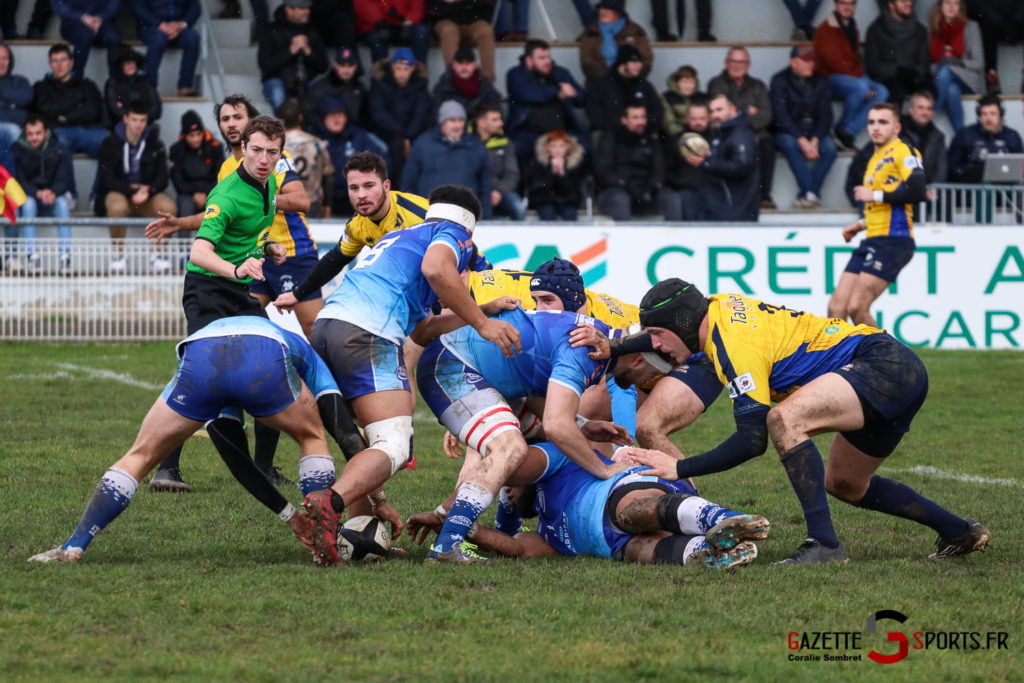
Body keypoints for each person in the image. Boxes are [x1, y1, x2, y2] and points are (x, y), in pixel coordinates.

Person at [616, 278, 992, 564]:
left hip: (881, 365)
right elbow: (664, 330)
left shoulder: (733, 343)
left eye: (658, 337)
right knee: (845, 484)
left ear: (682, 323)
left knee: (783, 419)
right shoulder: (711, 307)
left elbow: (752, 441)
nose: (657, 347)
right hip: (893, 371)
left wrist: (677, 466)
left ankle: (824, 544)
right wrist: (615, 347)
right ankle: (958, 531)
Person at [301, 185, 521, 566]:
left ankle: (354, 529)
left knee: (369, 440)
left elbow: (422, 331)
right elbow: (437, 269)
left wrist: (481, 307)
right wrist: (483, 323)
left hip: (326, 327)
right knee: (395, 444)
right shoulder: (453, 235)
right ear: (469, 227)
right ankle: (329, 504)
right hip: (366, 334)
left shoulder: (401, 236)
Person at [26, 317, 341, 564]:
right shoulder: (307, 352)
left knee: (140, 455)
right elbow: (341, 423)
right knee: (312, 436)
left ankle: (73, 547)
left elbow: (237, 462)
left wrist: (287, 515)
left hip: (201, 355)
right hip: (264, 352)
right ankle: (322, 538)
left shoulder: (226, 341)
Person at [414, 306, 633, 563]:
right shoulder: (586, 349)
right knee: (511, 447)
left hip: (473, 370)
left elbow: (539, 399)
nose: (651, 380)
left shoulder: (589, 338)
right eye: (658, 371)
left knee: (532, 441)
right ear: (641, 359)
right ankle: (447, 543)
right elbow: (556, 425)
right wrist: (605, 470)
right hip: (453, 365)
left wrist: (584, 425)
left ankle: (478, 523)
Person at [407, 441, 769, 568]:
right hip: (614, 545)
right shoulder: (547, 532)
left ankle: (724, 518)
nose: (509, 493)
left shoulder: (556, 459)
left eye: (510, 489)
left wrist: (448, 507)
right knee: (641, 551)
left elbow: (507, 463)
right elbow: (516, 548)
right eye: (507, 497)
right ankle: (706, 552)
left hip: (622, 490)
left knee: (632, 513)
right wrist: (461, 527)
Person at [272, 152, 428, 316]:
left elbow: (455, 236)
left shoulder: (419, 213)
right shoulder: (356, 226)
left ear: (386, 186)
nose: (361, 195)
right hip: (411, 294)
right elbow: (334, 261)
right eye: (354, 188)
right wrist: (297, 294)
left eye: (369, 186)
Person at [829, 103, 925, 326]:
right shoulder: (873, 159)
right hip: (872, 238)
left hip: (894, 241)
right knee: (836, 307)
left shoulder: (904, 151)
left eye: (883, 122)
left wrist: (874, 195)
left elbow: (918, 191)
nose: (876, 127)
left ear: (896, 127)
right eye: (871, 122)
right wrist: (860, 225)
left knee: (856, 307)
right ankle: (837, 361)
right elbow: (884, 204)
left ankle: (890, 360)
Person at [96, 102, 175, 273]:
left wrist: (148, 190)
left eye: (142, 120)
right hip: (120, 192)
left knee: (169, 208)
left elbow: (163, 177)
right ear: (125, 119)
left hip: (147, 194)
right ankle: (119, 254)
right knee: (116, 207)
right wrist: (131, 191)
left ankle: (157, 254)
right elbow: (106, 178)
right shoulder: (110, 143)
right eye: (134, 119)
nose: (138, 124)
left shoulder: (156, 143)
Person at [813, 0, 889, 149]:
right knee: (860, 87)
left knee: (882, 91)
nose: (848, 7)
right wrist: (862, 83)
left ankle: (847, 131)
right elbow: (836, 63)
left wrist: (861, 79)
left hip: (851, 77)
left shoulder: (852, 27)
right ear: (835, 5)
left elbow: (855, 61)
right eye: (843, 3)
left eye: (852, 3)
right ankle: (842, 129)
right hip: (828, 78)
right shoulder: (825, 30)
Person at [707, 46, 775, 210]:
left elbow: (766, 115)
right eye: (733, 61)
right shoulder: (716, 83)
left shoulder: (758, 86)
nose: (737, 65)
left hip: (757, 132)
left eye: (742, 62)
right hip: (728, 132)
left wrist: (739, 112)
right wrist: (750, 110)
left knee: (767, 146)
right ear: (726, 63)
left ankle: (763, 196)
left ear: (748, 65)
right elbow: (722, 113)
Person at [770, 45, 837, 210]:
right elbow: (781, 117)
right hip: (787, 132)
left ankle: (808, 195)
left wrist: (814, 140)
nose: (810, 64)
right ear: (793, 62)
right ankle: (811, 193)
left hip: (814, 133)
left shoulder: (820, 80)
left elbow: (826, 116)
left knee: (830, 148)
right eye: (805, 60)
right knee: (790, 144)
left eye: (812, 60)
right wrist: (802, 140)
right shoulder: (779, 80)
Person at [506, 39, 589, 172]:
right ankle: (522, 190)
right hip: (528, 133)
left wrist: (573, 94)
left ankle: (578, 190)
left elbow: (582, 99)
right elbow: (527, 94)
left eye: (548, 56)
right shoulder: (516, 74)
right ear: (529, 61)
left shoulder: (561, 73)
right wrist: (557, 92)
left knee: (585, 145)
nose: (547, 61)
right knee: (515, 148)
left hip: (562, 132)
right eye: (541, 58)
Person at [402, 100, 493, 218]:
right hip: (428, 216)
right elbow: (409, 182)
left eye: (461, 120)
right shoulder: (423, 143)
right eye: (452, 120)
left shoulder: (476, 146)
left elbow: (485, 186)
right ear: (442, 122)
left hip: (465, 217)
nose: (457, 125)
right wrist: (410, 215)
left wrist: (485, 219)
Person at [11, 115, 75, 274]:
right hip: (32, 198)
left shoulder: (60, 149)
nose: (34, 137)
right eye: (30, 134)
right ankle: (32, 256)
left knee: (61, 203)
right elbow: (18, 182)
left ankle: (65, 256)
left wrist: (52, 192)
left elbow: (64, 180)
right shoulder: (17, 149)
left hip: (52, 198)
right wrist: (38, 193)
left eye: (37, 133)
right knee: (28, 203)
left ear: (46, 132)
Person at [595, 103, 680, 221]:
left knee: (671, 197)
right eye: (635, 118)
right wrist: (625, 185)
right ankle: (624, 239)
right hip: (616, 191)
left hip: (646, 192)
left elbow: (659, 171)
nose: (640, 122)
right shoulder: (610, 139)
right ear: (624, 120)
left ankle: (674, 238)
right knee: (620, 200)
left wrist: (650, 188)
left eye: (643, 117)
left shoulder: (652, 140)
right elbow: (604, 171)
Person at [685, 93, 760, 222]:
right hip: (719, 208)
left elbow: (742, 166)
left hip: (733, 210)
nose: (715, 115)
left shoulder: (740, 134)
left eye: (719, 110)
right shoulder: (723, 132)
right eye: (712, 111)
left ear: (733, 109)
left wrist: (706, 163)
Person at [369, 48, 433, 188]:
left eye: (406, 69)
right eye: (398, 68)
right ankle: (395, 190)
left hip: (414, 133)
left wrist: (408, 136)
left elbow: (421, 114)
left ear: (413, 68)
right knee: (397, 147)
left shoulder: (420, 85)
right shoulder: (381, 83)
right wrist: (403, 136)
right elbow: (379, 114)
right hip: (388, 133)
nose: (402, 73)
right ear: (392, 67)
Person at [318, 96, 390, 217]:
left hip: (358, 199)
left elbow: (383, 162)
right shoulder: (314, 139)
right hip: (326, 201)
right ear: (324, 118)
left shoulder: (360, 137)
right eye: (331, 114)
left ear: (346, 117)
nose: (336, 118)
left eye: (340, 114)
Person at [31, 43, 107, 158]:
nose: (59, 65)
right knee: (56, 146)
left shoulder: (86, 84)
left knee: (109, 142)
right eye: (55, 61)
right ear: (50, 64)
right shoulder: (41, 86)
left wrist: (66, 117)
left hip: (87, 131)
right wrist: (77, 103)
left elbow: (94, 111)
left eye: (63, 60)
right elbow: (45, 110)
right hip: (58, 131)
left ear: (71, 63)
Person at [258, 0, 329, 113]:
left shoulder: (313, 31)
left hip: (307, 80)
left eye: (308, 8)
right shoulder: (270, 30)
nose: (307, 11)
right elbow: (265, 66)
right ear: (289, 10)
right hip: (278, 80)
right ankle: (285, 129)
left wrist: (308, 51)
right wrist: (291, 51)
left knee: (323, 93)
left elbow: (323, 66)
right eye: (302, 8)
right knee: (277, 92)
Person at [929, 0, 984, 133]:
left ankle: (928, 115)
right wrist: (941, 64)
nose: (952, 7)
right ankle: (961, 136)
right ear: (940, 6)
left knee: (946, 71)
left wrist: (957, 62)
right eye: (947, 3)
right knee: (952, 90)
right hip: (942, 79)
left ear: (961, 7)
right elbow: (927, 65)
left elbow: (979, 63)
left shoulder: (971, 27)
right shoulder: (932, 28)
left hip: (967, 80)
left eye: (956, 3)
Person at [864, 0, 930, 111]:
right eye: (903, 1)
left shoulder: (920, 30)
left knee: (930, 90)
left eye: (910, 0)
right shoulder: (875, 30)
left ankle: (920, 127)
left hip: (913, 78)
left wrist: (914, 73)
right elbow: (873, 66)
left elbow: (924, 63)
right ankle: (895, 126)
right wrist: (897, 71)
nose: (909, 3)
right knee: (896, 90)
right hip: (887, 79)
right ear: (891, 5)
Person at [586, 44, 663, 134]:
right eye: (634, 63)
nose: (639, 66)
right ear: (623, 64)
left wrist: (641, 124)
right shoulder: (602, 85)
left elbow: (657, 111)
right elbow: (593, 112)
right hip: (610, 132)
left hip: (641, 132)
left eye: (640, 62)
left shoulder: (644, 85)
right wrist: (621, 126)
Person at [947, 93, 1023, 183]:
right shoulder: (965, 135)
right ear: (979, 116)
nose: (988, 118)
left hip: (1005, 187)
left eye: (993, 113)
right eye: (984, 114)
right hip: (972, 188)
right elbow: (952, 167)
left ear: (1001, 115)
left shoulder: (1012, 136)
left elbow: (1018, 168)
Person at [131, 0, 201, 96]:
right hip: (150, 26)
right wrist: (159, 24)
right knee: (158, 39)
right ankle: (150, 87)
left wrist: (180, 25)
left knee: (192, 37)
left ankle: (185, 87)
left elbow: (195, 9)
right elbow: (138, 7)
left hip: (178, 27)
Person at [277, 99, 333, 219]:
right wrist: (327, 206)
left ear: (278, 121)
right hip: (311, 202)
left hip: (286, 202)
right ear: (300, 118)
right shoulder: (317, 143)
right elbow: (328, 177)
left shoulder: (275, 146)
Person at [578, 0, 653, 86]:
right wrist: (612, 77)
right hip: (599, 86)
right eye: (601, 8)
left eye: (607, 9)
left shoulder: (634, 31)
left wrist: (627, 74)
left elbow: (646, 60)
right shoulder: (591, 32)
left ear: (618, 12)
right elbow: (587, 63)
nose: (602, 11)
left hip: (631, 85)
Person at [168, 110, 223, 221]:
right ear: (185, 135)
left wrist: (207, 194)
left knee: (220, 207)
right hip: (187, 195)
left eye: (198, 134)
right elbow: (177, 181)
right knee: (186, 210)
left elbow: (220, 176)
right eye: (191, 135)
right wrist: (194, 194)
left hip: (212, 193)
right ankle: (183, 240)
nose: (196, 139)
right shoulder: (176, 150)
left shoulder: (215, 147)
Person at [473, 104, 524, 221]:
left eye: (500, 119)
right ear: (481, 123)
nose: (501, 123)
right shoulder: (468, 143)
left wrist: (499, 191)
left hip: (500, 191)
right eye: (495, 120)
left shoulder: (505, 143)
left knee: (518, 207)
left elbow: (512, 174)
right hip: (473, 191)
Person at [428, 0, 496, 82]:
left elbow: (485, 7)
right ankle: (453, 81)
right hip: (445, 22)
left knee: (486, 31)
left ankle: (487, 81)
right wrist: (465, 4)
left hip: (474, 21)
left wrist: (454, 3)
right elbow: (434, 8)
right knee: (449, 31)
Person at [526, 129, 587, 222]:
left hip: (568, 201)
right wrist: (552, 171)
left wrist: (562, 172)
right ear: (547, 147)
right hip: (544, 201)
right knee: (547, 213)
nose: (557, 150)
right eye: (553, 146)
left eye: (561, 146)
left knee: (570, 214)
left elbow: (573, 189)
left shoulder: (575, 163)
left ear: (567, 146)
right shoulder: (538, 162)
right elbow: (538, 186)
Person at [964, 0, 1024, 92]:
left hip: (1016, 20)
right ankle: (992, 76)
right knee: (989, 20)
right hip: (989, 20)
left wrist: (1017, 17)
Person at [306, 47, 371, 132]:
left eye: (350, 65)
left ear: (355, 66)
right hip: (326, 135)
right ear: (335, 65)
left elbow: (368, 117)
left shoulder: (360, 87)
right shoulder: (320, 88)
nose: (346, 70)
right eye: (342, 65)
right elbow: (309, 115)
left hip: (356, 135)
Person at [666, 101, 712, 220]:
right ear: (687, 118)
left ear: (709, 118)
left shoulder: (718, 139)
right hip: (686, 190)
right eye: (694, 118)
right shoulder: (676, 140)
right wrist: (682, 183)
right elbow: (667, 169)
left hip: (713, 191)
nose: (698, 122)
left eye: (702, 118)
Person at [51, 0, 121, 77]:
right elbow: (57, 5)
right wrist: (81, 16)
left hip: (101, 22)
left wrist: (99, 18)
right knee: (85, 35)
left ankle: (116, 81)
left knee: (113, 38)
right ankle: (75, 80)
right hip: (73, 21)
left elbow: (113, 5)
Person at [431, 47, 501, 118]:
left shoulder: (484, 83)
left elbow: (495, 109)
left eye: (468, 63)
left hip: (479, 126)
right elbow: (435, 116)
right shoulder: (442, 86)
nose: (464, 68)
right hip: (453, 127)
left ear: (474, 65)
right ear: (454, 65)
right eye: (460, 63)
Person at [355, 0, 430, 65]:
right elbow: (363, 3)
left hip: (404, 24)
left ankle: (419, 75)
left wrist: (409, 20)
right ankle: (381, 77)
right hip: (376, 24)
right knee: (376, 38)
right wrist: (378, 21)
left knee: (421, 33)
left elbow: (417, 5)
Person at [103, 45, 162, 124]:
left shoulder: (145, 81)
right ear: (121, 66)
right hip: (122, 126)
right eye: (128, 63)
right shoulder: (112, 83)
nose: (132, 66)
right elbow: (114, 110)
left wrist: (141, 120)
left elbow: (156, 108)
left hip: (146, 124)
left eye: (133, 63)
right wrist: (133, 119)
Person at [901, 91, 948, 183]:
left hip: (929, 193)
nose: (925, 112)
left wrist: (933, 189)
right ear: (911, 110)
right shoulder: (898, 133)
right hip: (902, 192)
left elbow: (941, 169)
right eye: (921, 108)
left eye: (929, 108)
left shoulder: (938, 136)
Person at [0, 44, 32, 168]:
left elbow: (26, 99)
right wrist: (9, 104)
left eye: (5, 58)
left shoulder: (19, 81)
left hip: (13, 128)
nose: (1, 63)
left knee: (14, 131)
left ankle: (19, 182)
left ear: (10, 61)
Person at [660, 65, 705, 140]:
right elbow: (669, 123)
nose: (688, 86)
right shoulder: (667, 98)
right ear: (677, 82)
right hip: (677, 137)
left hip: (702, 135)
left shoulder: (702, 97)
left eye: (691, 82)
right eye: (684, 82)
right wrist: (686, 137)